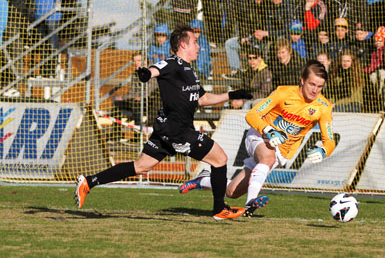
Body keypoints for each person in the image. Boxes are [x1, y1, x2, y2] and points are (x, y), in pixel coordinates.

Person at [74, 23, 254, 219]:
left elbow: (202, 99)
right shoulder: (172, 63)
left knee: (141, 166)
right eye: (195, 42)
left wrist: (231, 94)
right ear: (183, 45)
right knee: (220, 159)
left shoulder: (189, 71)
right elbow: (155, 69)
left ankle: (88, 182)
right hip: (177, 131)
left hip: (167, 129)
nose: (199, 46)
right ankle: (220, 209)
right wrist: (146, 73)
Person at [180, 59, 335, 217]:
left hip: (283, 151)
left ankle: (204, 180)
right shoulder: (283, 92)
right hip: (259, 135)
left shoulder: (323, 107)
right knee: (268, 158)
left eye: (319, 86)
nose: (315, 90)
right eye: (312, 84)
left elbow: (329, 141)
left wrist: (323, 151)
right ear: (302, 81)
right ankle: (251, 201)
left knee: (232, 191)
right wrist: (269, 130)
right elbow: (252, 114)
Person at [229, 43, 272, 111]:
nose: (252, 60)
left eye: (254, 58)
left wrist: (243, 101)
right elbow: (243, 89)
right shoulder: (247, 71)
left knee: (247, 105)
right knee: (228, 102)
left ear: (259, 58)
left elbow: (264, 93)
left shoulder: (266, 72)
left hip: (261, 100)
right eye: (249, 58)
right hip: (247, 98)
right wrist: (237, 98)